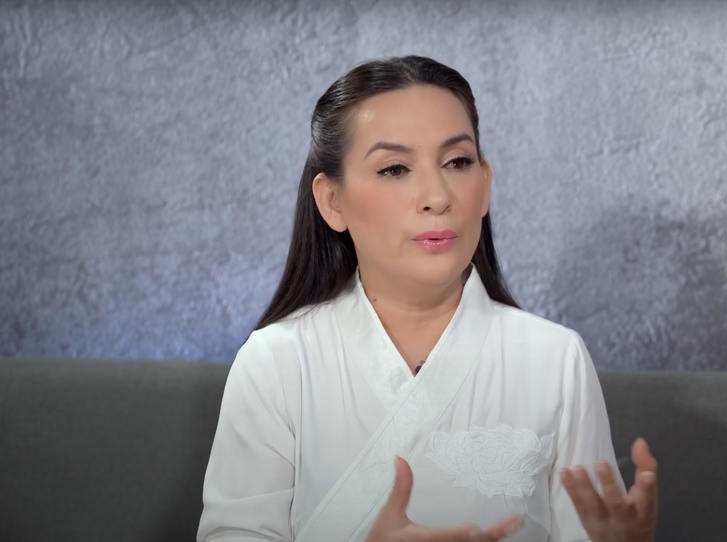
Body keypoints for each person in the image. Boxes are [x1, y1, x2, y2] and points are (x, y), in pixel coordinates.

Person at [196, 55, 658, 542]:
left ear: (485, 186)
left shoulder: (555, 359)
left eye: (457, 162)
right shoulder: (276, 361)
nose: (437, 196)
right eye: (395, 168)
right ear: (332, 200)